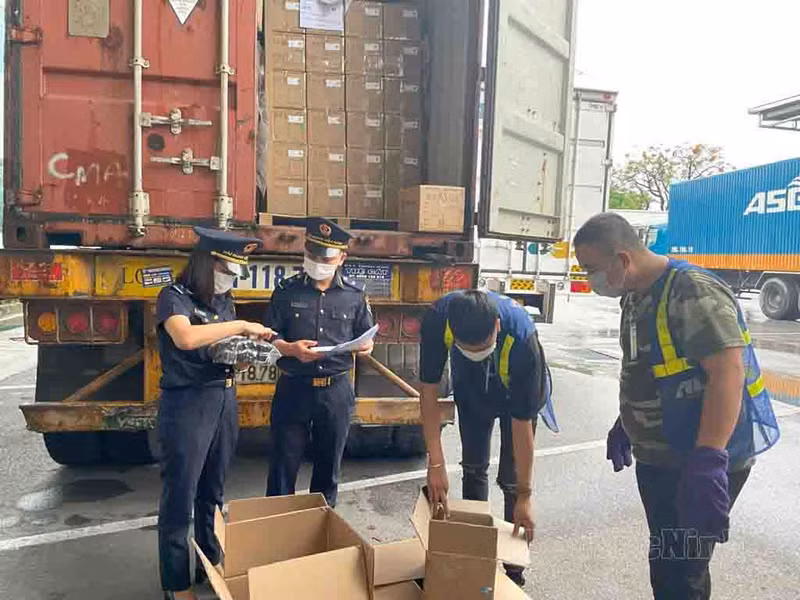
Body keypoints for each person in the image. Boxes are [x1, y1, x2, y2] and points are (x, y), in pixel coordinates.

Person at [573, 212, 780, 600]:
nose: (590, 280)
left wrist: (708, 460)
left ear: (622, 259)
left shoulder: (693, 291)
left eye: (592, 269)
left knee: (681, 572)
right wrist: (628, 419)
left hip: (698, 461)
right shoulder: (634, 296)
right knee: (668, 563)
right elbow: (651, 366)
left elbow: (727, 374)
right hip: (663, 456)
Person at [156, 226, 274, 600]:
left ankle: (209, 563)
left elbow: (221, 347)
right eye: (227, 270)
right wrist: (240, 325)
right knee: (180, 496)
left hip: (223, 399)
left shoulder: (223, 301)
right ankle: (177, 584)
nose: (230, 279)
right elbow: (186, 338)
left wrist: (246, 353)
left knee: (212, 492)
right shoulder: (173, 297)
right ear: (208, 263)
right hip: (187, 404)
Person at [419, 289, 559, 586]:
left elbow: (522, 426)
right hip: (472, 391)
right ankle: (476, 558)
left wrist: (525, 495)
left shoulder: (522, 339)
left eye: (482, 348)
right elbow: (428, 392)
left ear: (496, 325)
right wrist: (436, 463)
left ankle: (513, 571)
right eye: (468, 348)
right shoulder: (438, 318)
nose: (476, 353)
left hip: (517, 394)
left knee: (511, 479)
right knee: (473, 469)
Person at [264, 217, 374, 507]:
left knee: (328, 469)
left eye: (324, 257)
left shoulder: (354, 295)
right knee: (282, 467)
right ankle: (274, 532)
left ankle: (322, 534)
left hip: (335, 391)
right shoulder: (287, 291)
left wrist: (366, 347)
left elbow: (366, 335)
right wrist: (289, 348)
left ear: (342, 258)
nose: (316, 262)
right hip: (294, 388)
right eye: (311, 254)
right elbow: (269, 335)